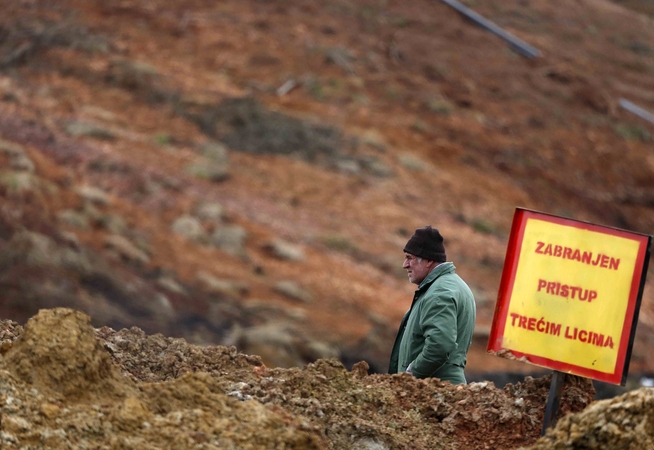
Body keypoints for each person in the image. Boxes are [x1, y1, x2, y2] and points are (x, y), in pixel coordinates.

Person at [388, 226, 476, 384]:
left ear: (428, 260)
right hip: (442, 390)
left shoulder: (439, 292)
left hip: (433, 392)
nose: (405, 265)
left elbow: (439, 346)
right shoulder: (453, 285)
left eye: (410, 258)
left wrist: (410, 374)